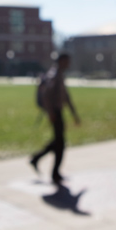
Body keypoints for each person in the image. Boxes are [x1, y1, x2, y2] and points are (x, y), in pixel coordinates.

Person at [30, 53, 80, 185]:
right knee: (60, 144)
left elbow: (66, 96)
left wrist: (74, 114)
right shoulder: (54, 74)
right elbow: (46, 94)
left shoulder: (59, 74)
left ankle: (37, 159)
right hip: (55, 113)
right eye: (67, 61)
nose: (69, 64)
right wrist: (51, 112)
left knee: (58, 142)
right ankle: (54, 173)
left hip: (58, 111)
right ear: (62, 61)